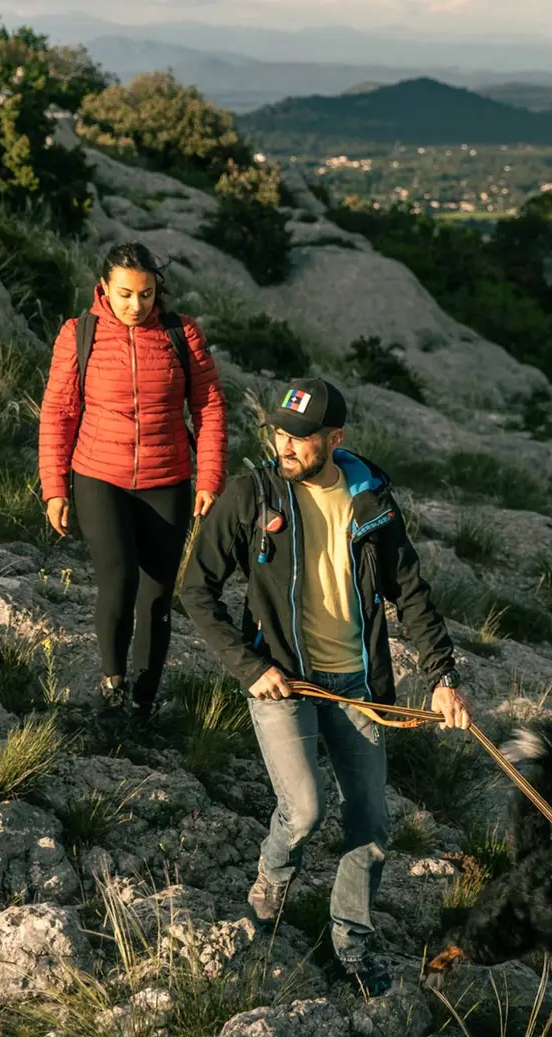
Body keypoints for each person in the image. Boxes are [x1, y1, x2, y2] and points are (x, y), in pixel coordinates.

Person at [178, 376, 471, 997]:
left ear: (334, 438)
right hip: (281, 680)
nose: (286, 443)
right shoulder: (252, 492)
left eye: (301, 436)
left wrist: (442, 677)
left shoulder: (370, 497)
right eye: (279, 431)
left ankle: (353, 944)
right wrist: (250, 668)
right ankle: (270, 884)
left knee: (369, 823)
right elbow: (196, 589)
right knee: (305, 809)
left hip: (358, 685)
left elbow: (409, 590)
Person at [39, 242, 228, 727]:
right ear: (104, 288)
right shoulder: (78, 334)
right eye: (125, 294)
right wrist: (55, 487)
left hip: (169, 479)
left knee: (158, 594)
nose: (135, 305)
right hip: (99, 476)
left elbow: (208, 407)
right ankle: (112, 686)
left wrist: (210, 476)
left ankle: (144, 703)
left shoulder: (181, 334)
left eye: (145, 295)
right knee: (119, 583)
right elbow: (59, 413)